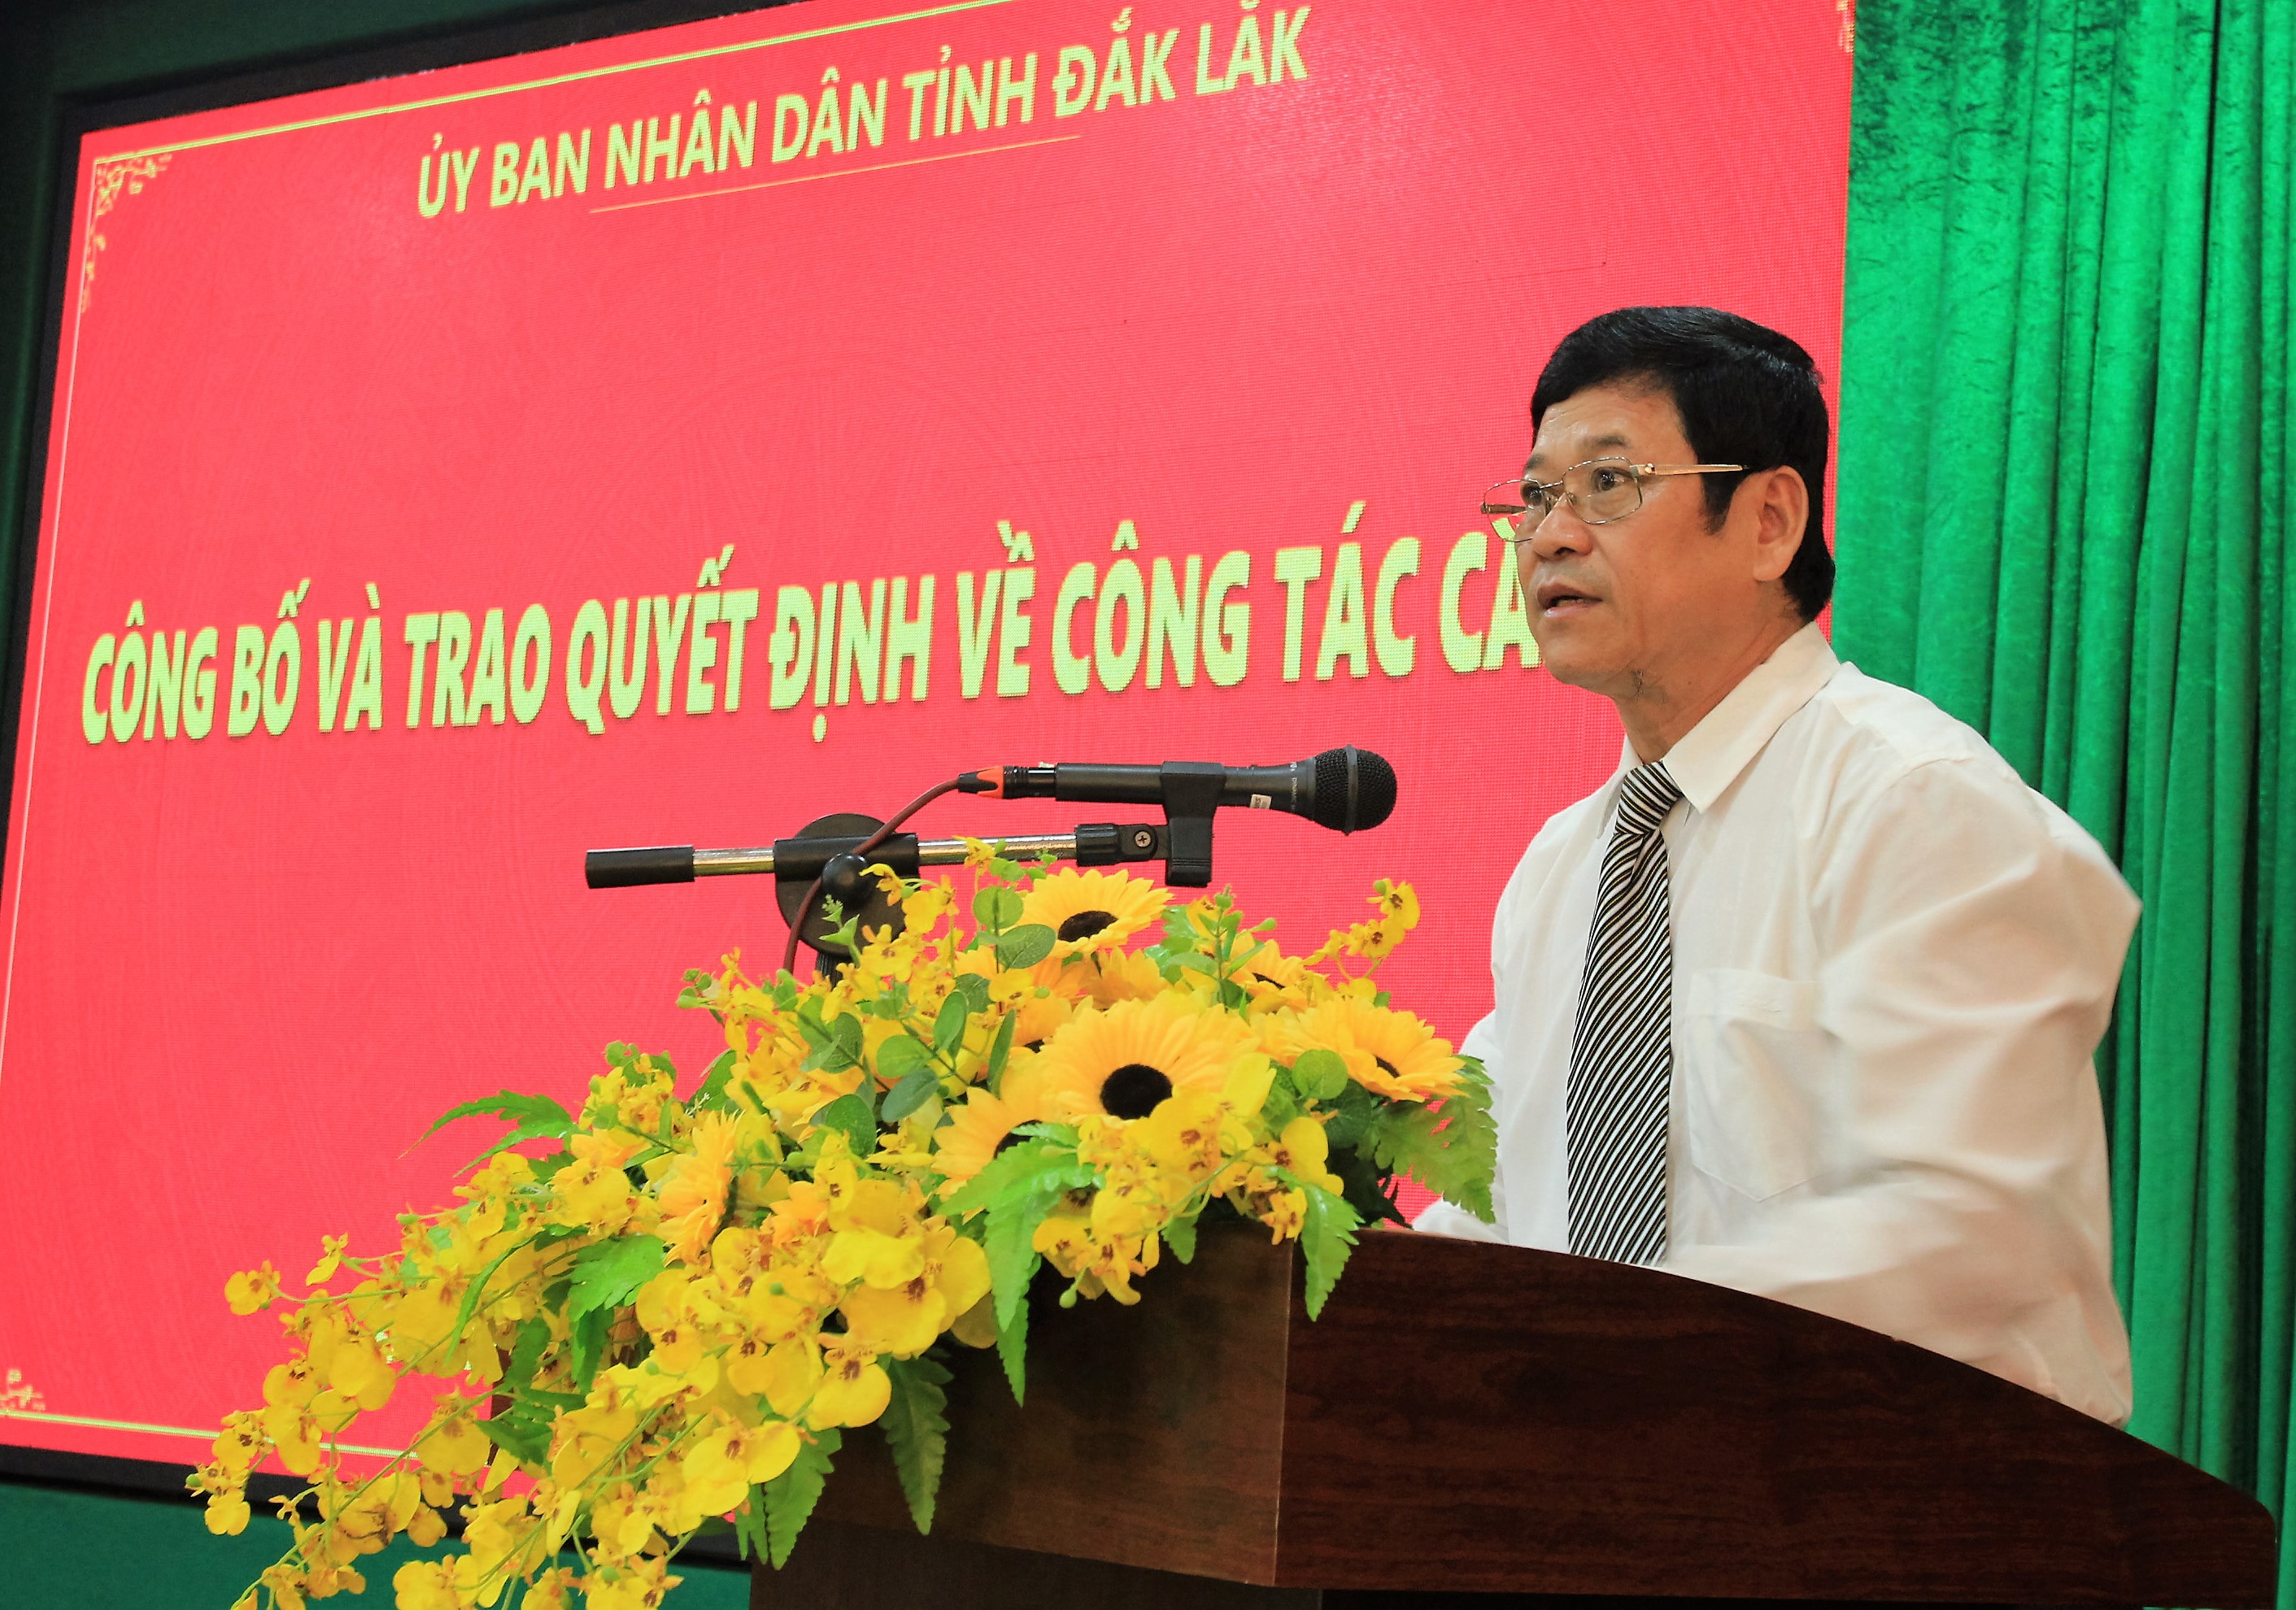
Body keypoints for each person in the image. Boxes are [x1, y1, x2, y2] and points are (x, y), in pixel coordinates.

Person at [1411, 306, 2137, 1424]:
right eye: (1537, 496)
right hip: (1609, 1485)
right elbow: (1498, 1212)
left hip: (1897, 1488)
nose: (1550, 536)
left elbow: (1966, 1232)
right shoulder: (1561, 869)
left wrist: (1607, 1356)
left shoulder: (1916, 807)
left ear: (1768, 521)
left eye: (1609, 485)